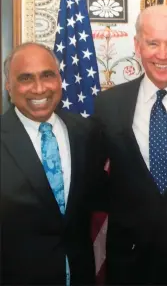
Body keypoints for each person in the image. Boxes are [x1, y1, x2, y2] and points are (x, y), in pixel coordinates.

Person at [94, 5, 167, 284]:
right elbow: (94, 182)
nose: (162, 54)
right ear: (137, 45)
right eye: (153, 43)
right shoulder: (108, 105)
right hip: (129, 264)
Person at [0, 42, 104, 285]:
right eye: (26, 78)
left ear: (59, 79)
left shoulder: (86, 132)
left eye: (47, 75)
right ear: (8, 86)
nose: (39, 88)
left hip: (80, 276)